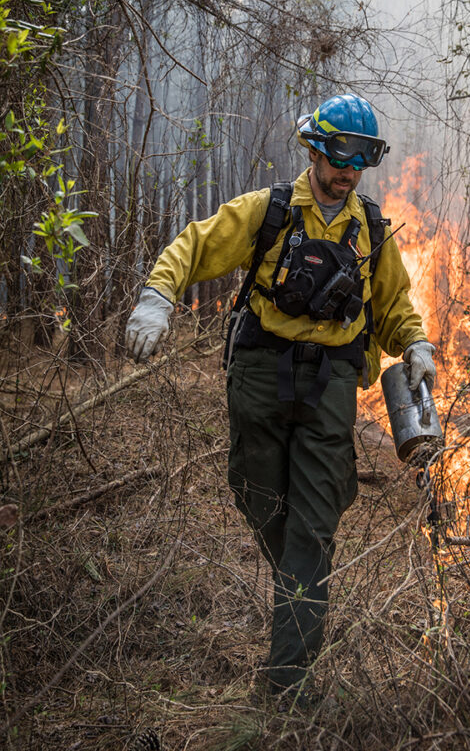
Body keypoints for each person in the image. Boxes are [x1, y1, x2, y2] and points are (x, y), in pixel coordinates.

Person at [125, 93, 436, 703]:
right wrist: (157, 297)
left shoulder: (373, 229)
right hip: (261, 374)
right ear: (315, 148)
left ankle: (285, 688)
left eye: (364, 156)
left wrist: (416, 343)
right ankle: (301, 584)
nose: (350, 169)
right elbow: (195, 244)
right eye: (341, 152)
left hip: (332, 386)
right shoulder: (268, 212)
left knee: (313, 527)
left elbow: (394, 303)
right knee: (259, 495)